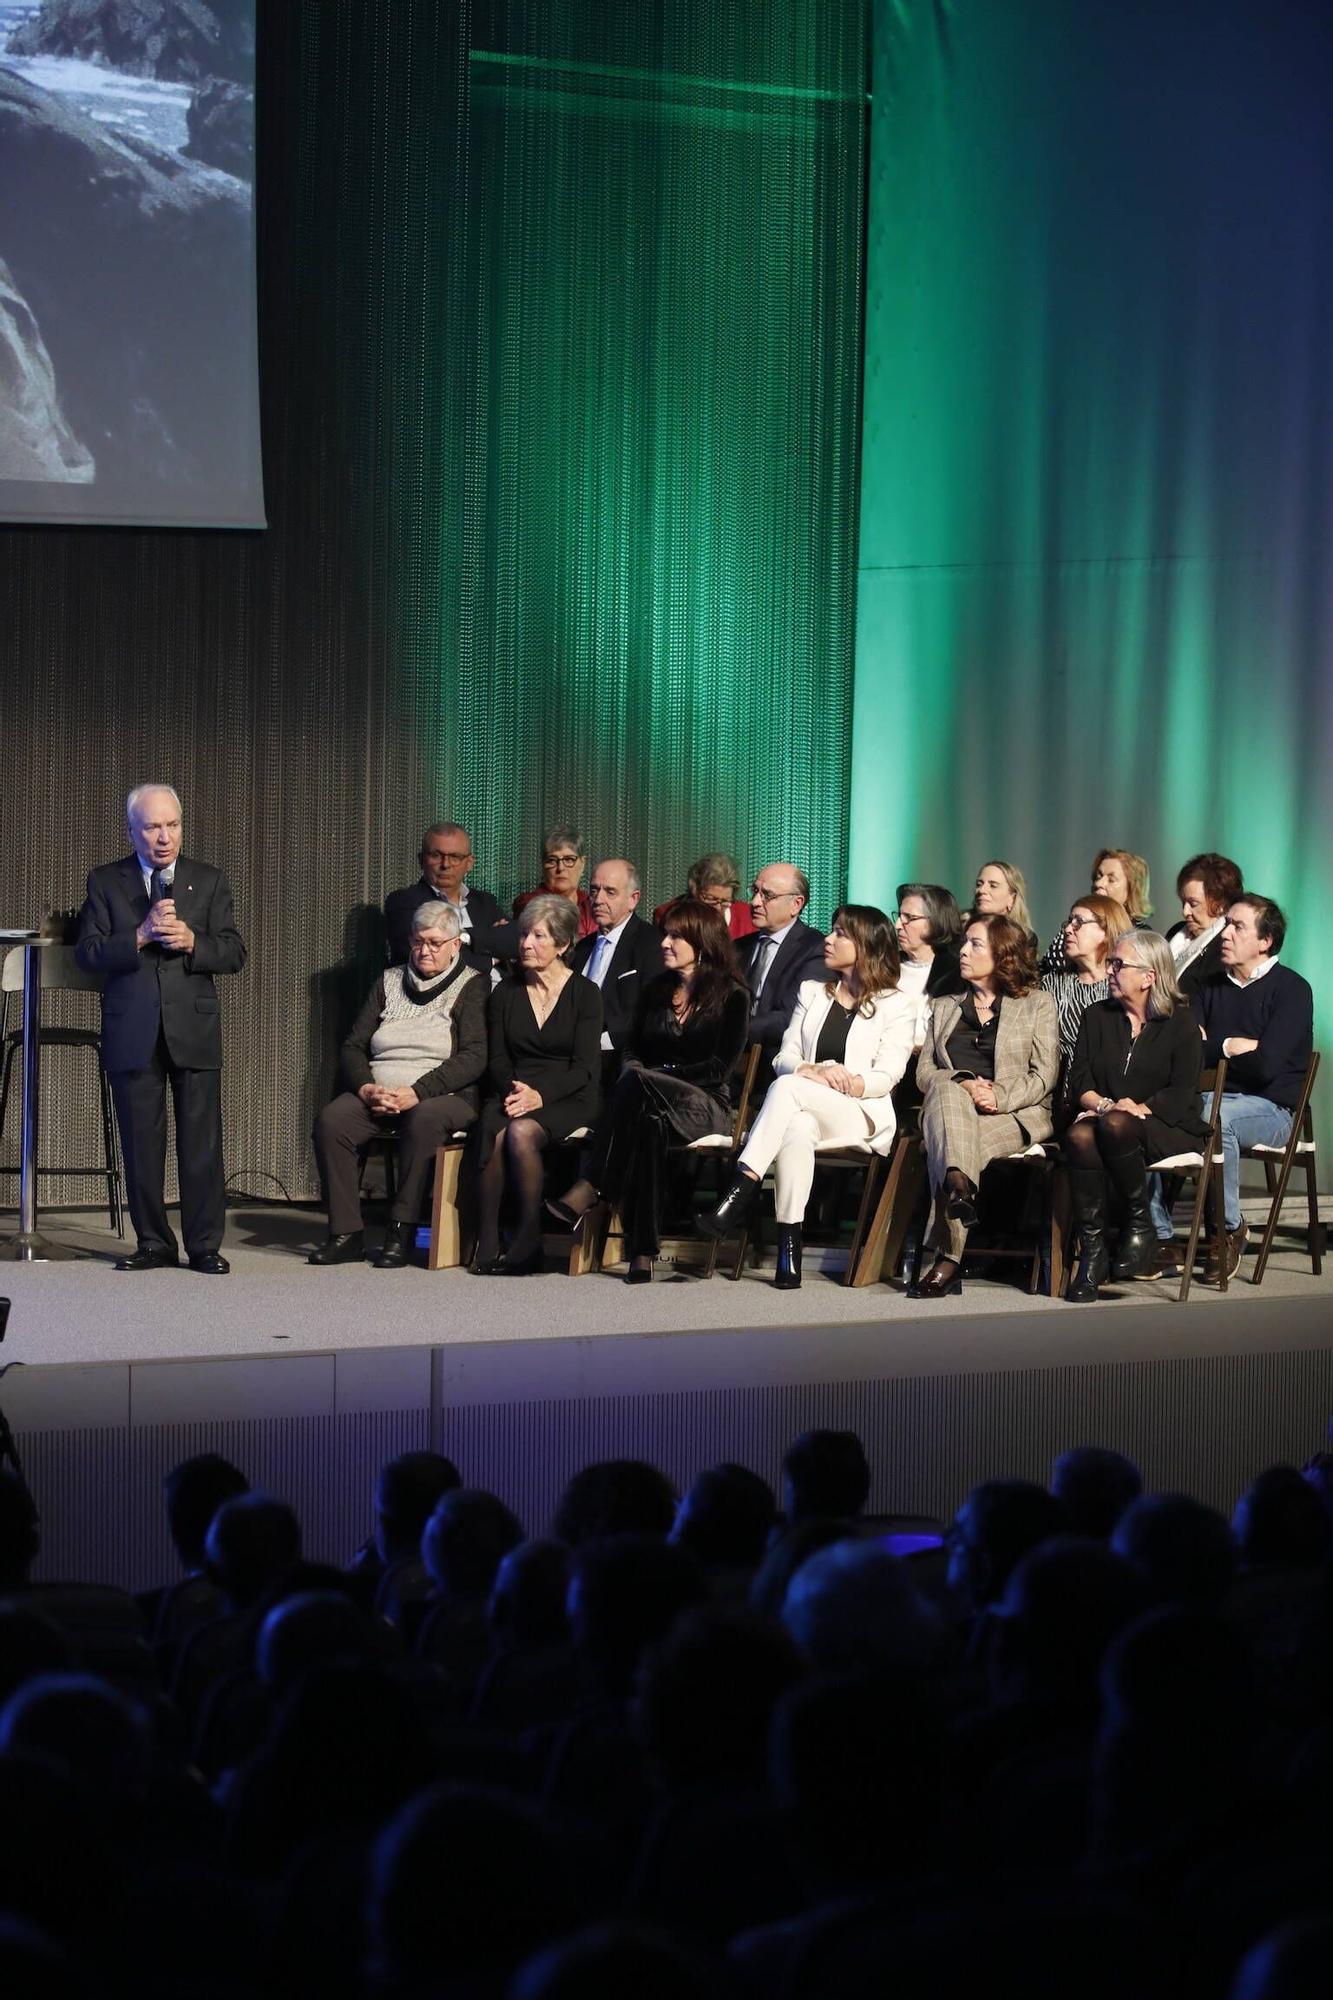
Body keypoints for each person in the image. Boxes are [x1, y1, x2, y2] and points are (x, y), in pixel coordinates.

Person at [698, 905, 917, 1289]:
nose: (828, 941)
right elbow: (785, 1058)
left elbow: (888, 1074)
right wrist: (813, 1071)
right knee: (796, 1125)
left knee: (787, 1091)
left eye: (840, 934)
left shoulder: (896, 1004)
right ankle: (789, 1252)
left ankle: (740, 1188)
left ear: (865, 945)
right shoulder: (813, 993)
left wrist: (844, 1081)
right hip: (807, 1102)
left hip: (862, 1112)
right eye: (831, 932)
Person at [75, 783, 246, 1275]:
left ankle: (205, 1245)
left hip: (191, 1029)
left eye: (172, 825)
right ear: (132, 831)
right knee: (140, 1144)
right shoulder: (107, 881)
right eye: (152, 826)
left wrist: (194, 941)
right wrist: (140, 935)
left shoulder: (208, 881)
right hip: (134, 1029)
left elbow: (234, 952)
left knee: (201, 1145)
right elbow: (87, 954)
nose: (164, 836)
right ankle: (153, 1242)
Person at [551, 900, 750, 1284]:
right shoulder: (656, 989)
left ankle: (593, 1184)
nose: (665, 943)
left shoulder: (733, 995)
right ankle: (642, 1252)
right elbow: (631, 1050)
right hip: (649, 1103)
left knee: (639, 1086)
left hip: (706, 1105)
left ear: (702, 942)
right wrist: (639, 1072)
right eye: (665, 934)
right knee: (647, 1125)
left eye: (676, 936)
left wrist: (656, 1075)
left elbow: (717, 1069)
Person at [309, 903, 488, 1267]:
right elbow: (353, 1046)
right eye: (419, 942)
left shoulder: (472, 985)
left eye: (436, 943)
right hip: (380, 1090)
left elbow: (474, 1056)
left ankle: (401, 1229)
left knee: (423, 1120)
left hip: (443, 1095)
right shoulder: (388, 981)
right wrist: (366, 1088)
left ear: (456, 945)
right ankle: (346, 1233)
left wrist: (416, 1093)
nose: (426, 951)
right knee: (333, 1121)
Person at [909, 915, 1059, 1299]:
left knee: (951, 1143)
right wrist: (962, 1082)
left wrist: (998, 1096)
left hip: (1013, 1113)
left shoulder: (1037, 1005)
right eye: (964, 943)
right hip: (950, 1109)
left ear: (1003, 954)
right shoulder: (944, 1006)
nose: (962, 951)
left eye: (975, 944)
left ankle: (948, 1246)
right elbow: (925, 1073)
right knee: (945, 1093)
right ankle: (958, 1194)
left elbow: (1045, 1075)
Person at [1062, 929, 1207, 1300]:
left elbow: (1181, 1092)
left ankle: (1135, 1224)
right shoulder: (1097, 1016)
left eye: (1118, 964)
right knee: (1080, 1136)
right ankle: (1096, 1254)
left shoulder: (1181, 1023)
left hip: (1169, 1125)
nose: (1110, 970)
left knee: (1113, 1125)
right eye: (1110, 963)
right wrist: (1106, 1105)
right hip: (1111, 1121)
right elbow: (1080, 1080)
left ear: (1149, 976)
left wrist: (1135, 1108)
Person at [473, 895, 602, 1274]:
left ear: (562, 945)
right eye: (524, 934)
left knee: (520, 1134)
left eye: (539, 936)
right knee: (494, 1131)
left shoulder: (586, 994)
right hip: (515, 1090)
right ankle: (489, 1239)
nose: (526, 944)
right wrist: (517, 1092)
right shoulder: (505, 993)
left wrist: (540, 1096)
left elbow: (584, 1068)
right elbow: (496, 1058)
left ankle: (528, 1239)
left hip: (569, 1094)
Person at [1194, 896, 1314, 1284]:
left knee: (1217, 1116)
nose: (1224, 933)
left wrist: (1215, 1046)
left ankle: (1226, 1230)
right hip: (1210, 1099)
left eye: (1237, 926)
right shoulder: (1207, 987)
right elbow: (1192, 1053)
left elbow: (1266, 1067)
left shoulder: (1293, 990)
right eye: (1226, 923)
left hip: (1272, 1111)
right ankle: (1158, 1233)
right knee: (1163, 1109)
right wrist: (1232, 1045)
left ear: (1265, 941)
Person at [571, 859, 663, 1085]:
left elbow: (652, 1011)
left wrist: (603, 1040)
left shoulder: (651, 944)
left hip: (617, 1059)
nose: (598, 900)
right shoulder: (582, 948)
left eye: (610, 892)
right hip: (572, 1055)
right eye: (594, 890)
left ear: (633, 899)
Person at [383, 821, 508, 969]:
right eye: (436, 855)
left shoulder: (485, 902)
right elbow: (428, 961)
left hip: (502, 988)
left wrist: (468, 938)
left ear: (469, 863)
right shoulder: (404, 902)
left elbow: (513, 940)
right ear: (421, 860)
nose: (446, 864)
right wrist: (492, 957)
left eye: (455, 857)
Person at [734, 864, 825, 1061]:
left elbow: (790, 1017)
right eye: (755, 891)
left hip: (774, 1064)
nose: (755, 902)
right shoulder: (737, 947)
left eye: (768, 895)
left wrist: (730, 1032)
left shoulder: (815, 948)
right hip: (726, 1061)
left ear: (796, 904)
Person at [1041, 892, 1131, 1092]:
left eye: (1078, 922)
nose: (1067, 929)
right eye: (1069, 921)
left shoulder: (1124, 988)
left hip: (1109, 1093)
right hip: (1055, 1095)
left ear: (1106, 931)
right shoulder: (1050, 985)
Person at [1040, 850, 1151, 973]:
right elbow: (1045, 971)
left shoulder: (1140, 936)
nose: (1099, 883)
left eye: (1111, 879)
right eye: (1098, 876)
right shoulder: (1071, 931)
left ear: (1132, 890)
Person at [1167, 852, 1244, 995]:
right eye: (1183, 902)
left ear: (1221, 903)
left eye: (1193, 903)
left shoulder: (1226, 949)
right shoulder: (1175, 931)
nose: (1185, 912)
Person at [893, 883, 964, 1025]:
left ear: (936, 922)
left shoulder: (956, 975)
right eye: (899, 916)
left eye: (909, 917)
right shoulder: (885, 967)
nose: (898, 925)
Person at [512, 824, 596, 940]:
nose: (560, 868)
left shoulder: (592, 904)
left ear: (582, 864)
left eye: (569, 859)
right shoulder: (529, 904)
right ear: (542, 865)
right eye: (552, 860)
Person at [652, 852, 755, 941]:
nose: (718, 908)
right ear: (694, 890)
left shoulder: (748, 919)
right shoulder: (666, 915)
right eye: (711, 900)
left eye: (725, 901)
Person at [970, 859, 1034, 938]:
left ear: (1012, 898)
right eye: (979, 884)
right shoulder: (959, 929)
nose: (981, 890)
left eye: (993, 886)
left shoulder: (1026, 939)